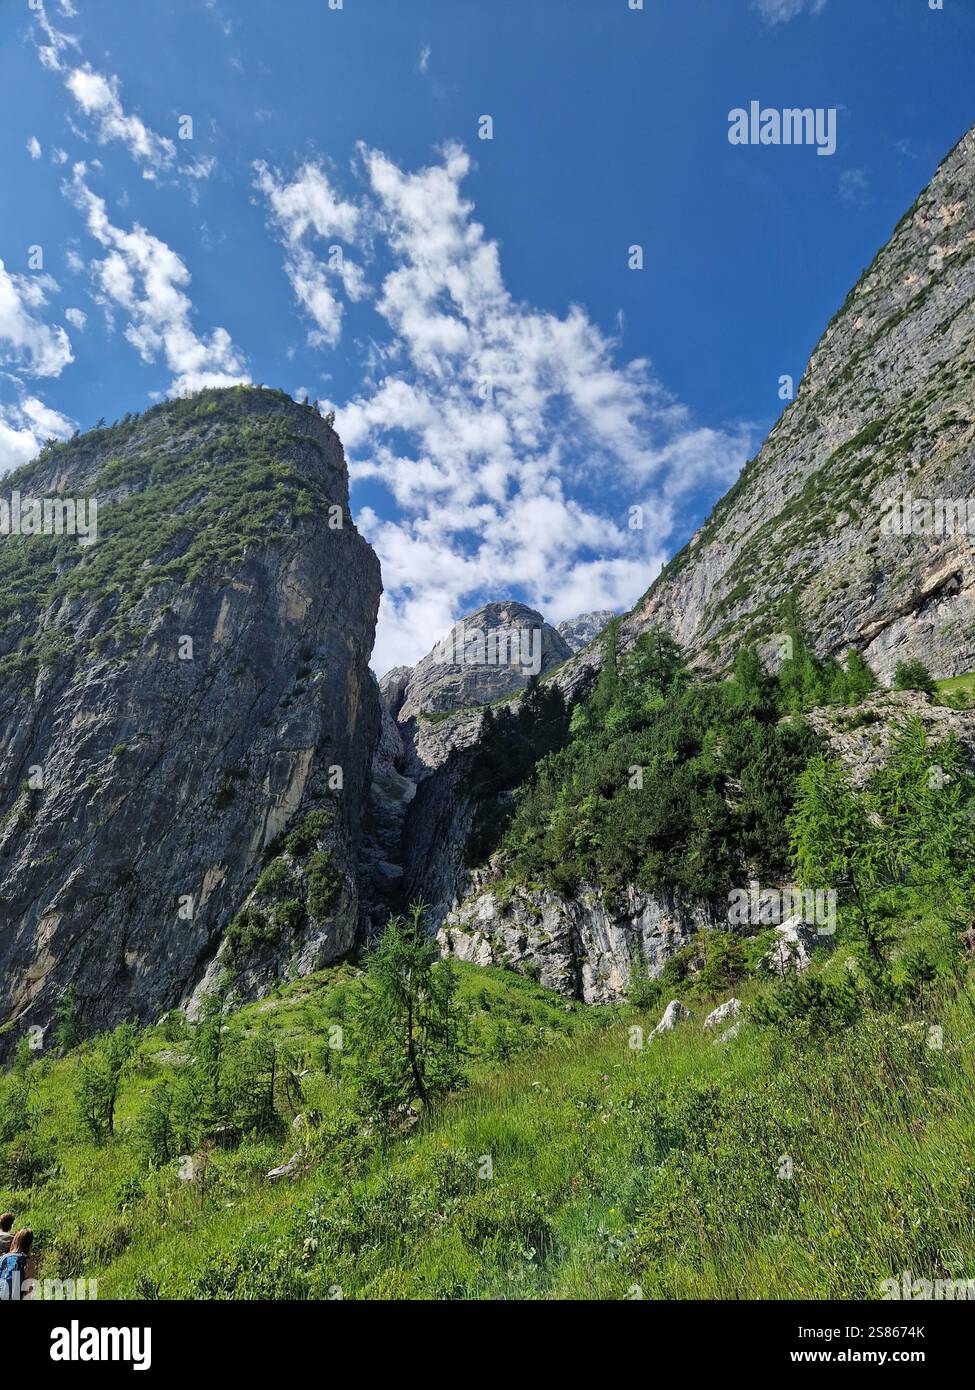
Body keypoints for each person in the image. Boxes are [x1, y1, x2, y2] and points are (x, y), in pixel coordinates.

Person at [0, 1229, 32, 1301]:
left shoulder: (3, 1258)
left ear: (15, 1241)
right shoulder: (27, 1260)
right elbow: (29, 1290)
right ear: (30, 1244)